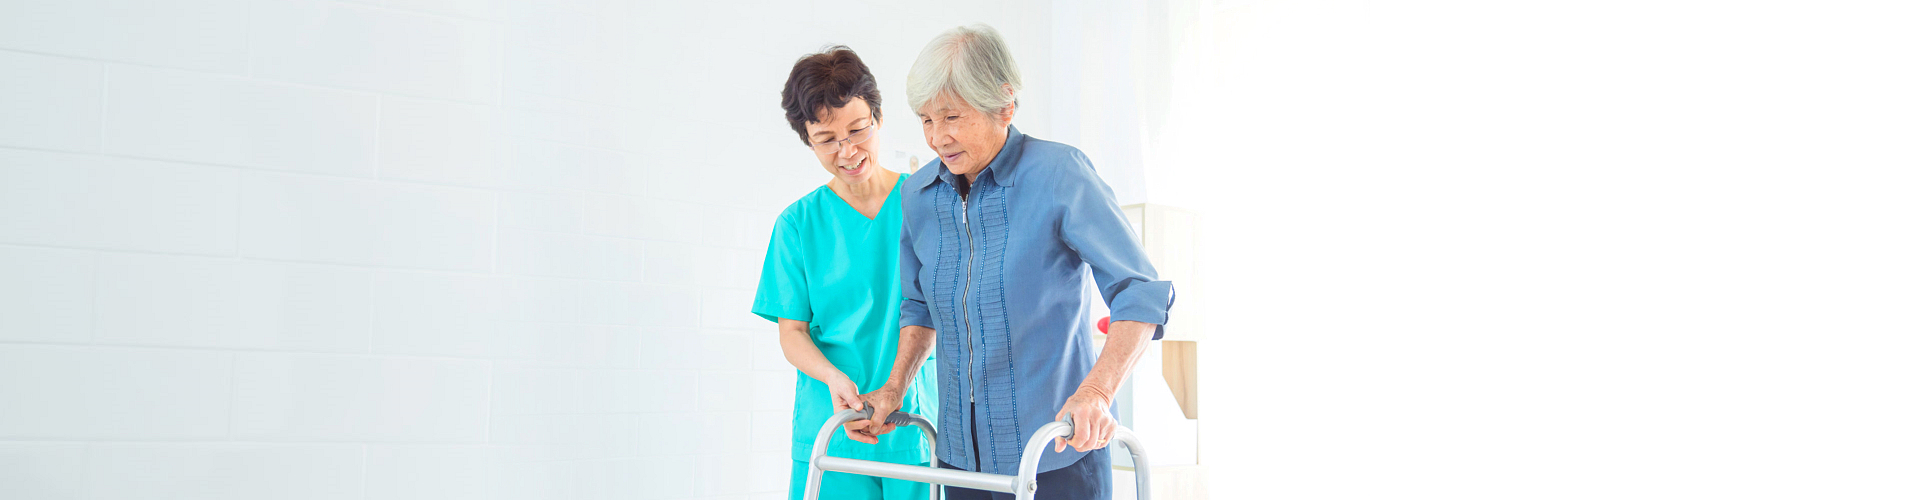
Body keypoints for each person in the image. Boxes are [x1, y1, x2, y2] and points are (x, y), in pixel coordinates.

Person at [846, 25, 1175, 500]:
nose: (938, 137)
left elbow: (1140, 291)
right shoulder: (918, 196)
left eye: (952, 117)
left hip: (1057, 452)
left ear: (1005, 104)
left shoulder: (1059, 174)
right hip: (961, 463)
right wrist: (895, 387)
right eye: (926, 120)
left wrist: (1098, 393)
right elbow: (918, 308)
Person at [753, 46, 938, 500]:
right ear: (807, 139)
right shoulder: (797, 224)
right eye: (827, 139)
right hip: (832, 425)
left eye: (858, 130)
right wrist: (836, 380)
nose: (848, 151)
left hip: (912, 422)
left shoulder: (927, 205)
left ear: (878, 117)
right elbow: (791, 332)